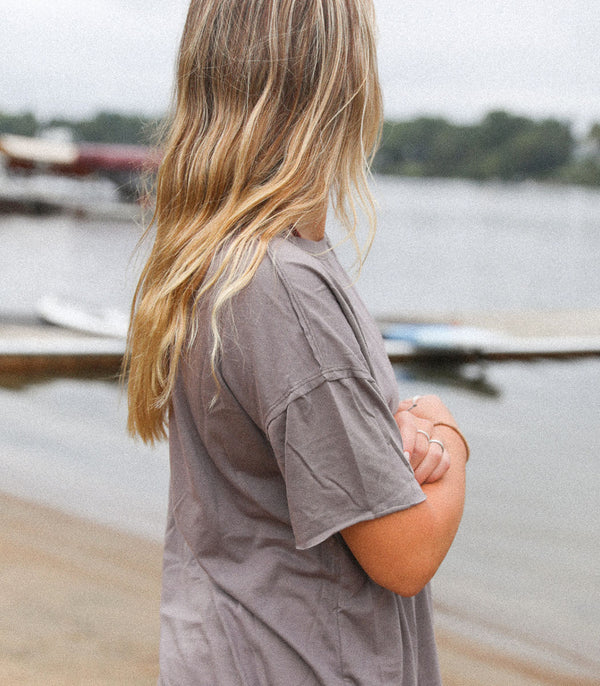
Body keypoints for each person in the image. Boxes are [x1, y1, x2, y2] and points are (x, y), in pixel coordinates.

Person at [125, 1, 469, 684]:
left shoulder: (221, 259)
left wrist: (386, 434)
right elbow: (405, 553)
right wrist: (447, 432)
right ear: (345, 82)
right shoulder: (283, 287)